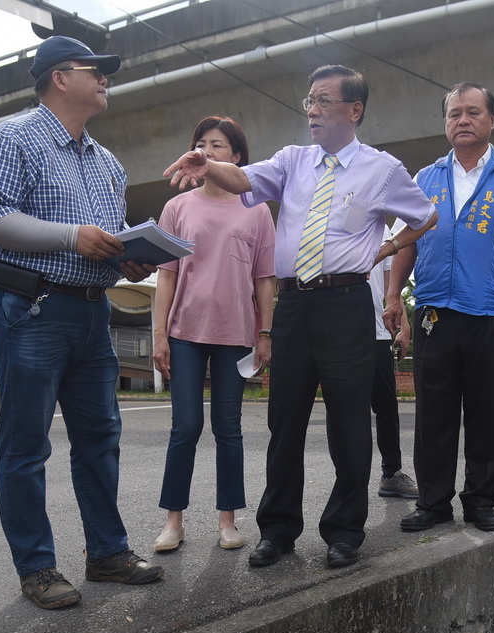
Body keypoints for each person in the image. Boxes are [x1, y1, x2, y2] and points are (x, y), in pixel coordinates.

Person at [164, 65, 436, 569]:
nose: (311, 109)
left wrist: (388, 246)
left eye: (324, 101)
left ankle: (344, 532)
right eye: (309, 99)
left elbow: (426, 215)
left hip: (346, 305)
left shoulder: (383, 169)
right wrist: (206, 165)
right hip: (293, 305)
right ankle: (279, 530)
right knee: (284, 421)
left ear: (354, 111)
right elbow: (243, 178)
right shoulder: (293, 161)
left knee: (349, 422)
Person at [0, 36, 163, 609]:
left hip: (90, 308)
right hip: (31, 307)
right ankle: (36, 567)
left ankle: (107, 552)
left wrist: (126, 254)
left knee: (100, 437)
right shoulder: (13, 137)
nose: (106, 78)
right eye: (95, 70)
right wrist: (70, 237)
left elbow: (102, 238)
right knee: (26, 444)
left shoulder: (107, 163)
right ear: (59, 77)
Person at [384, 82, 494, 533]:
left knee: (489, 410)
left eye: (473, 112)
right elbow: (405, 241)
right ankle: (434, 503)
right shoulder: (425, 178)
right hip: (436, 310)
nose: (463, 120)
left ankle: (480, 500)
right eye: (454, 113)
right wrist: (394, 294)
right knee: (434, 412)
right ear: (445, 123)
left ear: (491, 120)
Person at [151, 117, 277, 554]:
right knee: (184, 427)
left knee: (229, 428)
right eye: (200, 143)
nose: (207, 151)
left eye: (217, 145)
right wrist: (159, 334)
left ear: (237, 157)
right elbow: (166, 276)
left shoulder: (256, 209)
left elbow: (265, 279)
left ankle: (228, 520)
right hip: (185, 332)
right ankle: (174, 520)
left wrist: (265, 332)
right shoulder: (178, 208)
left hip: (236, 334)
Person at [370, 227, 418, 499]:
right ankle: (347, 481)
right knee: (344, 411)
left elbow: (394, 286)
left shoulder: (384, 230)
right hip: (342, 334)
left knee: (386, 407)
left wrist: (404, 326)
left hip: (378, 332)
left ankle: (391, 474)